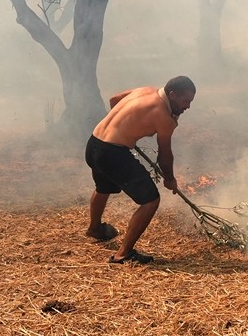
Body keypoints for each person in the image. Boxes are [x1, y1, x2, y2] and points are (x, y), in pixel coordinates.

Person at [84, 75, 196, 264]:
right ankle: (123, 253)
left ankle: (95, 228)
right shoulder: (164, 116)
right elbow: (164, 155)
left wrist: (126, 128)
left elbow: (113, 100)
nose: (188, 107)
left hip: (95, 143)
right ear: (172, 95)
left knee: (103, 187)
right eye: (186, 101)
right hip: (112, 154)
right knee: (151, 200)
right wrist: (169, 179)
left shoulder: (146, 90)